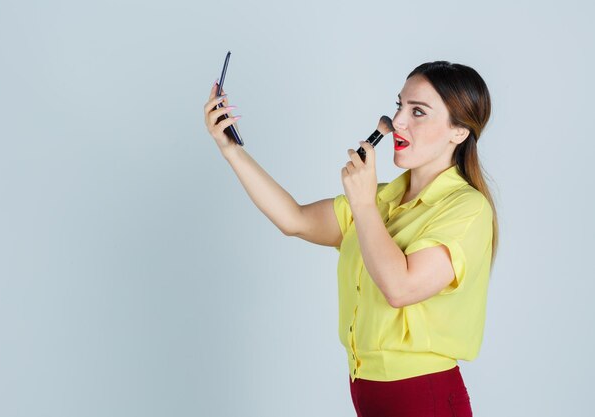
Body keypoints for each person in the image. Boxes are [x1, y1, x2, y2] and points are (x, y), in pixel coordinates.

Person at [203, 60, 498, 417]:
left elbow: (400, 288)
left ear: (459, 132)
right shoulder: (381, 199)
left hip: (424, 396)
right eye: (399, 105)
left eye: (418, 111)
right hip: (367, 393)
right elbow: (294, 219)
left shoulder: (467, 208)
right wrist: (230, 149)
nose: (399, 121)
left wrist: (362, 202)